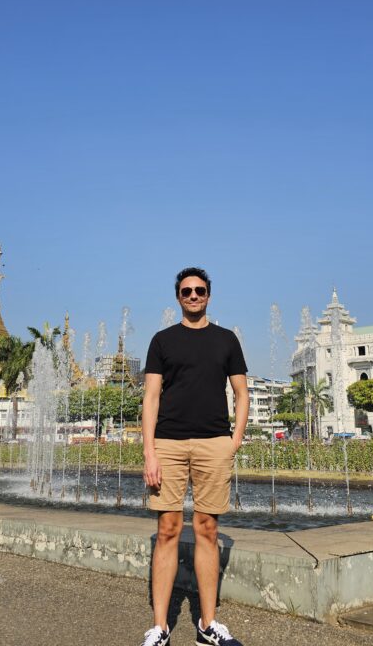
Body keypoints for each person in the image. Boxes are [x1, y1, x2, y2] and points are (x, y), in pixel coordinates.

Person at [140, 267, 249, 646]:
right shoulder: (162, 341)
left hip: (213, 444)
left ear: (209, 295)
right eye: (186, 291)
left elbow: (242, 393)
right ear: (177, 297)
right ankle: (160, 628)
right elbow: (151, 397)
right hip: (168, 444)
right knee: (167, 530)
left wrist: (233, 440)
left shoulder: (226, 340)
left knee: (207, 529)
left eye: (199, 290)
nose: (193, 296)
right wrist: (149, 451)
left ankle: (207, 625)